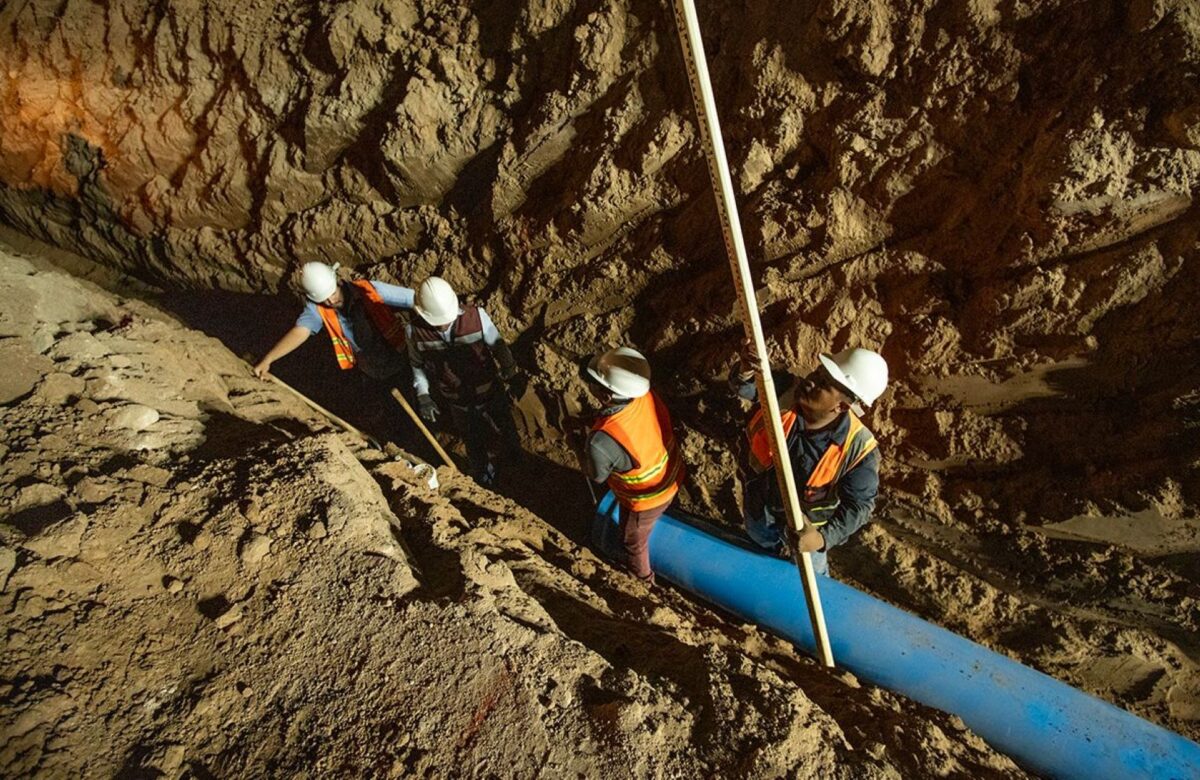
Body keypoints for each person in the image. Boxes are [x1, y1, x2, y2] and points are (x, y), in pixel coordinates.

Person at [737, 347, 888, 575]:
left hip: (805, 534)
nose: (810, 382)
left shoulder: (858, 450)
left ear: (842, 406)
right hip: (761, 509)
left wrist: (820, 539)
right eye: (817, 374)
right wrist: (746, 371)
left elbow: (859, 506)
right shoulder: (783, 389)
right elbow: (745, 387)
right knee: (756, 560)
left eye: (823, 384)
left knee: (811, 581)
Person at [581, 347, 685, 585]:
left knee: (633, 539)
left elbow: (597, 476)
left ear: (606, 396)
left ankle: (643, 581)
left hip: (647, 499)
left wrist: (581, 447)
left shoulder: (600, 443)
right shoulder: (644, 395)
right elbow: (625, 423)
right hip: (674, 473)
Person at [406, 276, 524, 485]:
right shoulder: (414, 332)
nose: (443, 324)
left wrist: (511, 372)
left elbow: (498, 346)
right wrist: (423, 395)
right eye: (437, 321)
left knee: (506, 427)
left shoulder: (476, 316)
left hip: (489, 390)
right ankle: (484, 477)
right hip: (456, 400)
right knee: (472, 440)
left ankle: (517, 459)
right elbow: (417, 365)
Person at [253, 261, 413, 383]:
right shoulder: (317, 309)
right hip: (372, 371)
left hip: (401, 358)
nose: (331, 300)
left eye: (333, 293)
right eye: (324, 299)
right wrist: (268, 359)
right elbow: (300, 331)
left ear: (337, 281)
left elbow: (413, 299)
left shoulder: (370, 290)